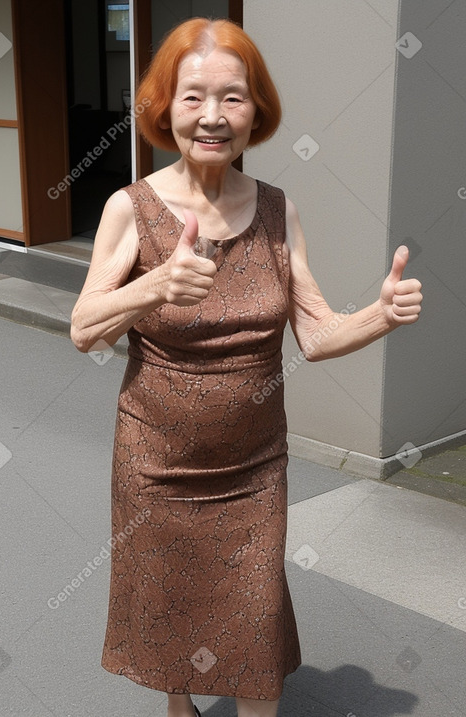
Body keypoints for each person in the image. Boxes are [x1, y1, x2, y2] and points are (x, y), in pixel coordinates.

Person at [70, 17, 423, 717]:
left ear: (257, 110)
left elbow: (316, 334)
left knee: (253, 614)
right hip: (156, 461)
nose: (212, 116)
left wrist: (379, 313)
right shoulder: (129, 208)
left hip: (253, 466)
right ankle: (179, 702)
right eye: (193, 96)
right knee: (168, 595)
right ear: (163, 107)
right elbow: (84, 329)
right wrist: (152, 286)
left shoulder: (276, 211)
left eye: (233, 98)